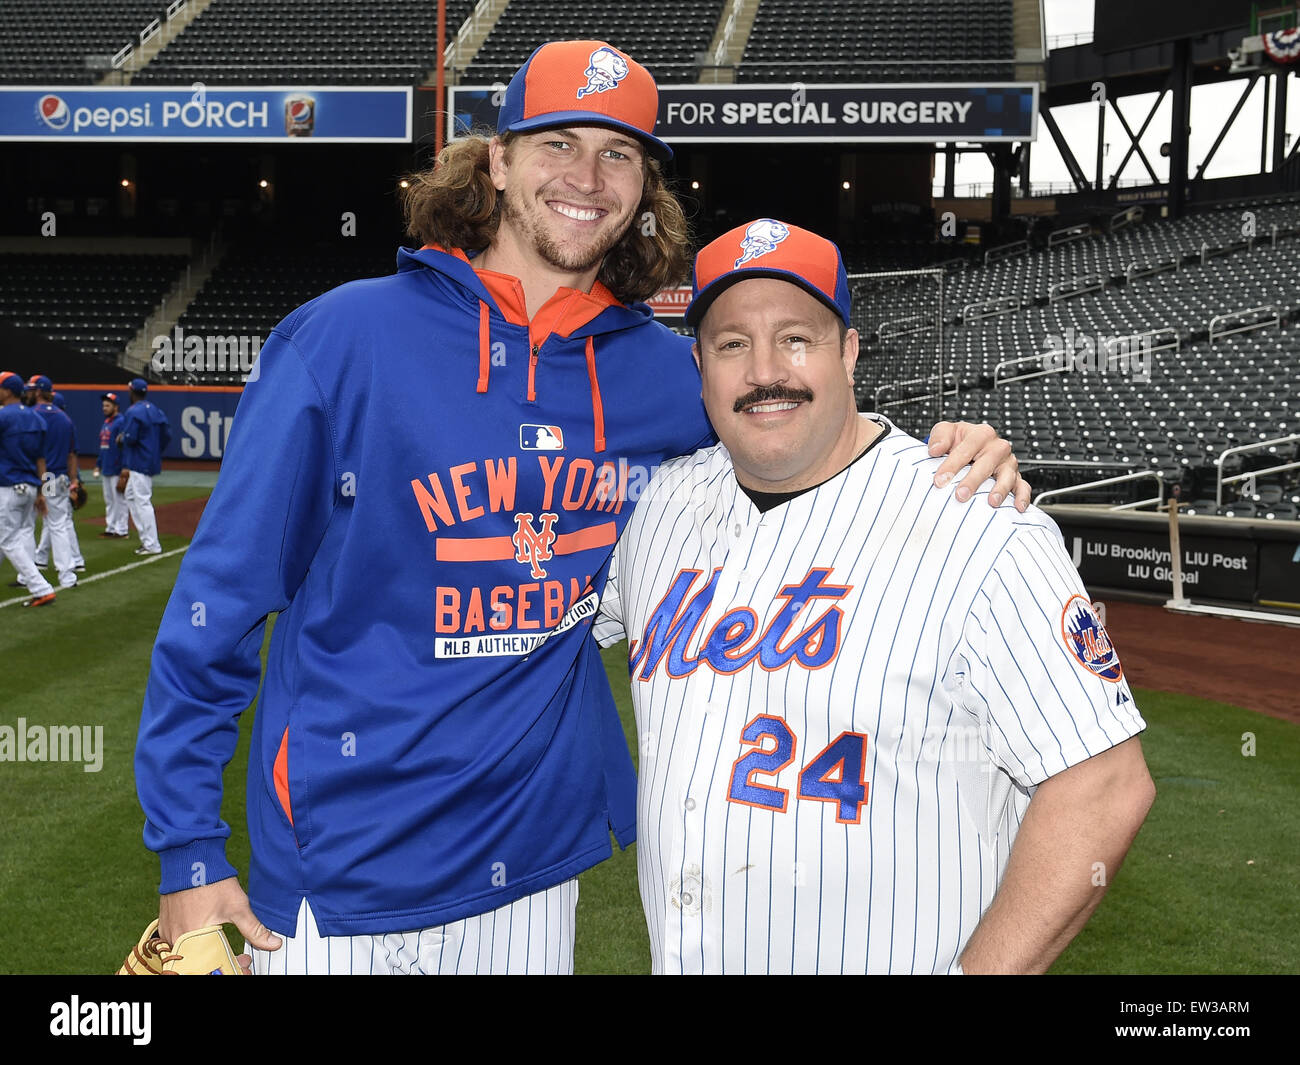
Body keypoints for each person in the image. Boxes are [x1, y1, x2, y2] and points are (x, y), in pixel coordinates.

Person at [132, 40, 1029, 977]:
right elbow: (216, 610)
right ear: (497, 160)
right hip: (342, 874)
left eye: (619, 155)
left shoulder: (659, 377)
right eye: (557, 143)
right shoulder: (343, 340)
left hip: (532, 870)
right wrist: (187, 846)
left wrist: (942, 449)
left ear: (645, 189)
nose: (587, 178)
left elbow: (794, 430)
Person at [594, 221, 1156, 974]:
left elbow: (1105, 785)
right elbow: (529, 615)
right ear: (699, 366)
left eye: (796, 338)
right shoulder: (658, 506)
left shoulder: (977, 519)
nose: (766, 371)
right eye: (732, 344)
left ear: (850, 352)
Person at [0, 372, 57, 607]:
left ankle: (41, 587)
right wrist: (43, 491)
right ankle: (40, 587)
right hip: (30, 487)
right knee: (10, 536)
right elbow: (41, 460)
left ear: (8, 390)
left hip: (9, 486)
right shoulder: (37, 418)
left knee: (8, 540)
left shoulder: (3, 416)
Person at [23, 374, 81, 591]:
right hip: (60, 477)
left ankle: (26, 576)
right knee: (58, 527)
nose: (27, 393)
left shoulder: (30, 415)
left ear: (38, 391)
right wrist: (74, 479)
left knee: (26, 528)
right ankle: (68, 576)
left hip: (39, 478)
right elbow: (72, 454)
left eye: (30, 389)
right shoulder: (65, 418)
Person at [118, 378, 171, 556]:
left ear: (132, 392)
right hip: (150, 459)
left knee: (142, 500)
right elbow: (167, 435)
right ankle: (146, 538)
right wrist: (156, 450)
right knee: (130, 495)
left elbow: (130, 438)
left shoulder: (134, 411)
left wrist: (121, 439)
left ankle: (152, 544)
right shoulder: (155, 410)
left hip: (139, 461)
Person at [94, 391, 130, 538]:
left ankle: (122, 530)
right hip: (107, 467)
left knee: (119, 500)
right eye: (103, 405)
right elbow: (104, 446)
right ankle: (111, 527)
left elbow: (124, 446)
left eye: (107, 405)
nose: (104, 408)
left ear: (116, 407)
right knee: (109, 500)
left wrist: (124, 467)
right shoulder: (106, 423)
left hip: (117, 467)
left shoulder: (121, 422)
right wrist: (98, 464)